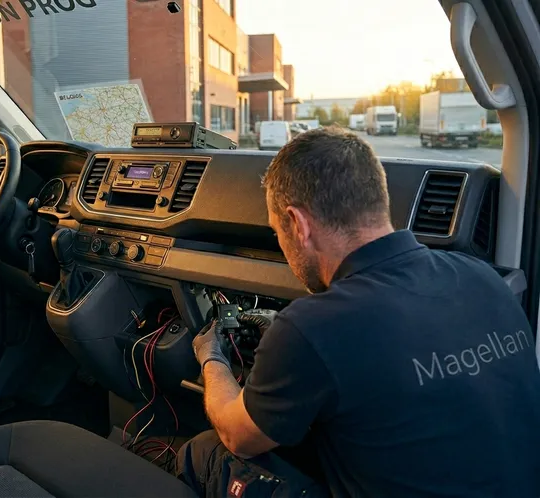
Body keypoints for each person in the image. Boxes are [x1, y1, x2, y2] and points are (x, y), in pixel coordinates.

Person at [178, 126, 540, 497]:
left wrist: (211, 357)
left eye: (277, 232)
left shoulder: (312, 327)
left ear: (298, 224)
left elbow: (237, 436)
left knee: (204, 451)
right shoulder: (485, 278)